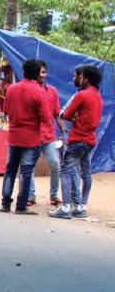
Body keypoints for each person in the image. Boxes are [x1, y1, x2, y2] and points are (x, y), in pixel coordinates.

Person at [49, 65, 103, 219]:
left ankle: (66, 207)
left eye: (80, 76)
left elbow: (66, 114)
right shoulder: (98, 96)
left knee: (65, 171)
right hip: (90, 139)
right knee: (86, 173)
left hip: (77, 138)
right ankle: (81, 206)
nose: (78, 79)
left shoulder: (82, 95)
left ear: (86, 78)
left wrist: (69, 115)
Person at [0, 59, 53, 215]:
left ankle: (5, 204)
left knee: (10, 170)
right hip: (31, 137)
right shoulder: (39, 91)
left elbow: (6, 111)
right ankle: (21, 206)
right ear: (37, 74)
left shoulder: (11, 89)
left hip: (14, 135)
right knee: (26, 171)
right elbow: (46, 117)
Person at [26, 61, 65, 206]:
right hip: (32, 135)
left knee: (56, 164)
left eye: (43, 72)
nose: (41, 75)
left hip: (48, 136)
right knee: (29, 166)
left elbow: (57, 114)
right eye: (39, 72)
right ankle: (31, 196)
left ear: (46, 73)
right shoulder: (29, 90)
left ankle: (54, 195)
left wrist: (64, 133)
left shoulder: (52, 91)